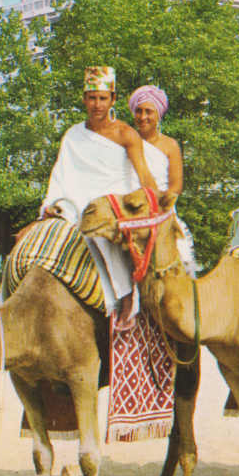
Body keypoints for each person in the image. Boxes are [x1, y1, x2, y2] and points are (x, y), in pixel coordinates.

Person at [41, 67, 160, 329]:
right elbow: (61, 175)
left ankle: (127, 297)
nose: (97, 104)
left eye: (103, 98)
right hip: (75, 202)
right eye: (92, 97)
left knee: (99, 228)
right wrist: (51, 204)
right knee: (39, 233)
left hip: (113, 203)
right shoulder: (73, 134)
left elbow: (144, 177)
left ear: (113, 99)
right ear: (84, 99)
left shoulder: (125, 133)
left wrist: (155, 205)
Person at [127, 84, 196, 274]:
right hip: (131, 214)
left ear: (159, 114)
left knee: (182, 260)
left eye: (148, 111)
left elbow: (176, 186)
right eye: (138, 111)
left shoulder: (170, 145)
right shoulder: (126, 142)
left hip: (162, 212)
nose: (143, 117)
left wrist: (157, 206)